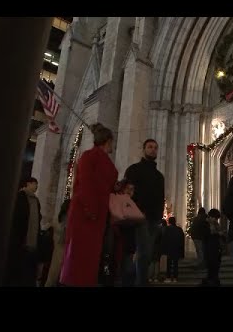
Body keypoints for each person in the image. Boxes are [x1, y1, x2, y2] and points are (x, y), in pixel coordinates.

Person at [60, 123, 118, 287]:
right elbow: (84, 184)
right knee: (79, 254)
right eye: (112, 142)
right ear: (108, 141)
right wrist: (90, 209)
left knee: (91, 255)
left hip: (98, 214)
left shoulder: (104, 161)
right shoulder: (89, 156)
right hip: (85, 214)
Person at [125, 139, 165, 287]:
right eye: (150, 147)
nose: (153, 150)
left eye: (155, 147)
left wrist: (160, 217)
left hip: (154, 219)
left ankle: (138, 280)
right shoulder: (133, 170)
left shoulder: (159, 176)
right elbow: (127, 192)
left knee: (147, 254)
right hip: (138, 217)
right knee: (143, 253)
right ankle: (140, 282)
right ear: (143, 149)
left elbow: (161, 197)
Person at [5, 177, 42, 286]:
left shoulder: (36, 201)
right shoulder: (20, 197)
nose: (36, 186)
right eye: (35, 184)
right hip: (20, 240)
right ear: (28, 184)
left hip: (32, 243)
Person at [44, 198, 70, 287]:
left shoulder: (57, 220)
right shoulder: (65, 222)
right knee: (55, 275)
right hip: (60, 251)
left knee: (53, 276)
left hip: (57, 251)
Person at [202, 208, 223, 286]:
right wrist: (217, 234)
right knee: (211, 268)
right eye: (215, 218)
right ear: (210, 217)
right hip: (209, 249)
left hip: (216, 249)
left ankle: (214, 281)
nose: (215, 220)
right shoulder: (205, 224)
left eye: (217, 218)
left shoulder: (216, 225)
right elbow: (206, 235)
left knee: (216, 268)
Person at [160, 216, 185, 283]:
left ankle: (168, 277)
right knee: (175, 264)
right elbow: (182, 240)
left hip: (169, 249)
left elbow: (164, 239)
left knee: (169, 263)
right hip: (176, 248)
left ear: (169, 222)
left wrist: (163, 249)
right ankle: (175, 277)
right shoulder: (179, 229)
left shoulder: (167, 229)